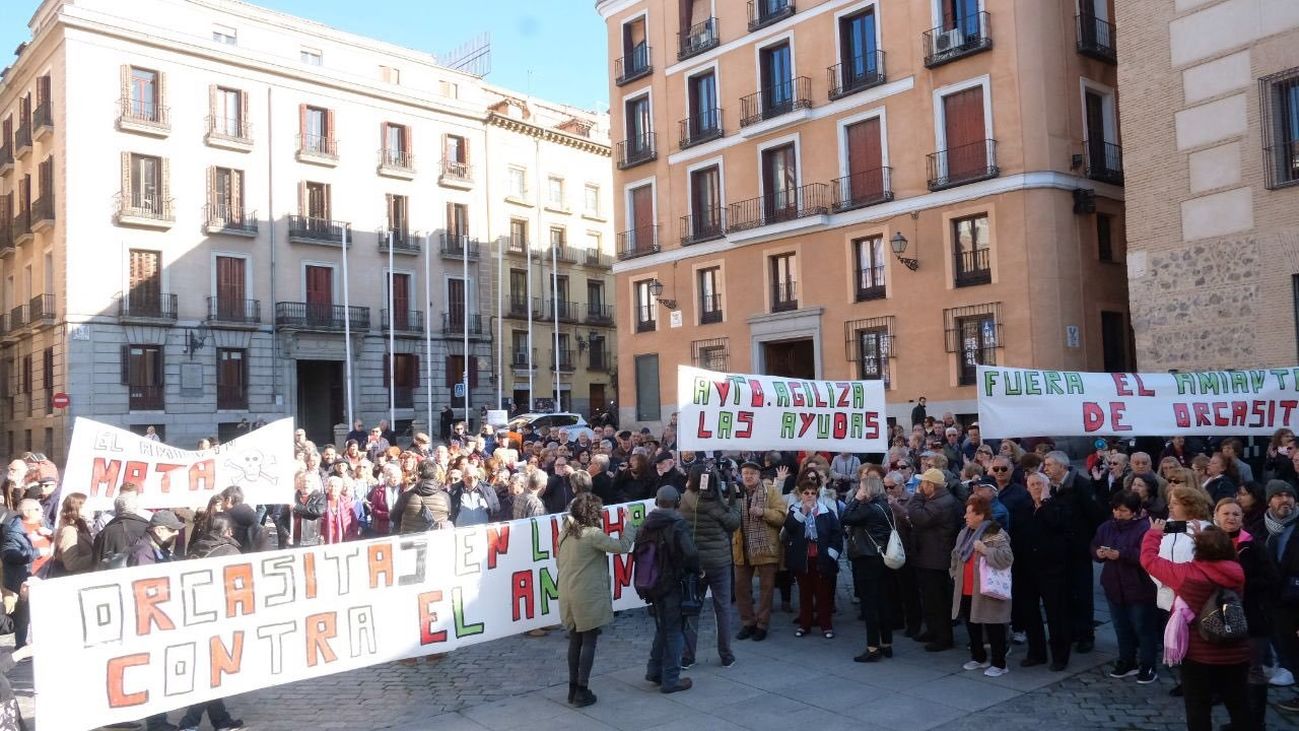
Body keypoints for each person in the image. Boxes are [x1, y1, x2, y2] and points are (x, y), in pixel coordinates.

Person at [1140, 520, 1250, 730]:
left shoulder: (1186, 574)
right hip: (1236, 651)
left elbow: (1149, 560)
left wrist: (1154, 533)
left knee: (1198, 708)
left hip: (1199, 654)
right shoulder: (1237, 572)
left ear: (1197, 549)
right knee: (1239, 705)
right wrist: (1204, 538)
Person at [557, 493, 638, 707]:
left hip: (567, 591)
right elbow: (622, 546)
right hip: (586, 594)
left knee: (575, 639)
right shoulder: (591, 534)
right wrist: (630, 524)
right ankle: (582, 690)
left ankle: (573, 689)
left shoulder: (565, 531)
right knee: (589, 640)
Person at [176, 513, 247, 731]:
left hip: (198, 613)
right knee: (212, 672)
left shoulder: (197, 547)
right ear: (229, 532)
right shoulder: (230, 551)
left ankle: (221, 720)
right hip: (219, 615)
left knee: (211, 669)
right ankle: (189, 723)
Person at [1215, 496, 1275, 727]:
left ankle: (1256, 723)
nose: (1231, 518)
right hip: (1221, 615)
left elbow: (1271, 579)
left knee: (1253, 670)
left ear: (1242, 518)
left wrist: (1239, 580)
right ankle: (1240, 720)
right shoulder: (1211, 542)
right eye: (1226, 514)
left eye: (1235, 514)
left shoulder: (1253, 545)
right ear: (1217, 516)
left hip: (1252, 616)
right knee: (1232, 672)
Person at [1091, 490, 1160, 683]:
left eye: (1123, 511)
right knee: (1121, 626)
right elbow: (1094, 545)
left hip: (1138, 586)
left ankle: (1148, 665)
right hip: (1114, 584)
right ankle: (1126, 660)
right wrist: (1099, 553)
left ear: (1135, 511)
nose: (1118, 514)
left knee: (1143, 628)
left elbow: (1146, 555)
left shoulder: (1145, 528)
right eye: (1116, 510)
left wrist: (1121, 554)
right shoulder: (1107, 527)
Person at [637, 486, 700, 694]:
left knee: (662, 627)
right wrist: (696, 570)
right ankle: (671, 679)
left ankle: (654, 670)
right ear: (677, 501)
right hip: (672, 583)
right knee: (674, 630)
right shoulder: (677, 523)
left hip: (651, 583)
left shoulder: (647, 523)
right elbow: (689, 553)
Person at [678, 463, 740, 669]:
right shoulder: (716, 505)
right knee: (722, 609)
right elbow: (733, 522)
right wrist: (734, 499)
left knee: (692, 609)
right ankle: (726, 654)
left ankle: (688, 656)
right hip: (719, 562)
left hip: (695, 563)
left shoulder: (686, 498)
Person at [1043, 450, 1103, 654]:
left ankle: (1086, 635)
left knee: (1082, 593)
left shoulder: (1081, 485)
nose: (1046, 468)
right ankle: (1071, 632)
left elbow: (1095, 515)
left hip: (1078, 549)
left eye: (1049, 465)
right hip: (1061, 550)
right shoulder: (1052, 487)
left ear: (1062, 466)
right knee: (1066, 593)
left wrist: (1087, 542)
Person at [950, 494, 1014, 677]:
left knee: (993, 625)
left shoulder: (996, 532)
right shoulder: (965, 532)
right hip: (967, 586)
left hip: (987, 588)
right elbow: (956, 554)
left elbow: (1007, 557)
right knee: (972, 624)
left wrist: (985, 550)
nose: (965, 516)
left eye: (969, 513)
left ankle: (999, 663)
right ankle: (978, 657)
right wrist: (954, 573)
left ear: (980, 515)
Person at [1251, 480, 1299, 714]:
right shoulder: (1260, 528)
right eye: (1278, 496)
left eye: (1288, 495)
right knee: (1286, 648)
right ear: (1269, 501)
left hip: (1294, 600)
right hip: (1269, 600)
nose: (1285, 500)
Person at [1020, 472, 1074, 671]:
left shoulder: (1058, 505)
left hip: (1052, 568)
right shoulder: (1024, 508)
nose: (1035, 487)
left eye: (1039, 484)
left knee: (1056, 614)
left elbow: (1055, 524)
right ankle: (1036, 652)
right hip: (1028, 569)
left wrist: (1044, 503)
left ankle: (1060, 656)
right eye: (1032, 484)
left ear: (1047, 486)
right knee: (1030, 612)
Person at [842, 473, 898, 662]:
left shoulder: (867, 508)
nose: (859, 490)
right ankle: (886, 643)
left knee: (870, 605)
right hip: (881, 558)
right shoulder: (883, 506)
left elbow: (846, 517)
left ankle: (873, 647)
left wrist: (856, 500)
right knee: (883, 602)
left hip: (867, 559)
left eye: (862, 487)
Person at [782, 470, 843, 639]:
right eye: (806, 493)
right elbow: (789, 528)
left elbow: (836, 534)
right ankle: (804, 624)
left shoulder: (826, 512)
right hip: (804, 559)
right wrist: (803, 512)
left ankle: (826, 625)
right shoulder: (795, 510)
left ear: (817, 494)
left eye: (813, 493)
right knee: (805, 594)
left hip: (822, 558)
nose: (809, 496)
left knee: (823, 594)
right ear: (801, 495)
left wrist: (831, 554)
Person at [907, 467, 962, 652]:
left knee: (938, 600)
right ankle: (933, 630)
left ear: (931, 485)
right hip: (929, 556)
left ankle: (943, 637)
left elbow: (919, 517)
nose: (921, 486)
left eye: (923, 483)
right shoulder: (939, 499)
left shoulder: (941, 502)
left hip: (936, 558)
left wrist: (916, 497)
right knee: (929, 599)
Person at [733, 461, 787, 642]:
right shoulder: (736, 493)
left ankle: (762, 624)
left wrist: (763, 512)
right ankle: (748, 622)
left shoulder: (770, 491)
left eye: (752, 473)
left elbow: (781, 516)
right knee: (741, 587)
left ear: (759, 475)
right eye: (745, 473)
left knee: (766, 589)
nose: (748, 476)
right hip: (741, 547)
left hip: (765, 547)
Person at [1, 500, 50, 649]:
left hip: (45, 573)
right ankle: (21, 646)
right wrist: (36, 553)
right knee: (24, 611)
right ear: (27, 512)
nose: (42, 511)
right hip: (25, 577)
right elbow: (9, 555)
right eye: (37, 509)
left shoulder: (43, 523)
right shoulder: (14, 530)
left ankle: (42, 642)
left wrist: (52, 533)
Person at [399, 460, 452, 532]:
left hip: (411, 539)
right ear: (435, 475)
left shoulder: (406, 496)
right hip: (436, 538)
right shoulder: (445, 496)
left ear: (418, 475)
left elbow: (394, 517)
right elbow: (449, 516)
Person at [51, 492, 94, 575]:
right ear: (76, 507)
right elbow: (71, 564)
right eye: (87, 505)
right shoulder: (69, 530)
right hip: (71, 579)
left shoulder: (81, 524)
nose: (91, 508)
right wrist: (96, 556)